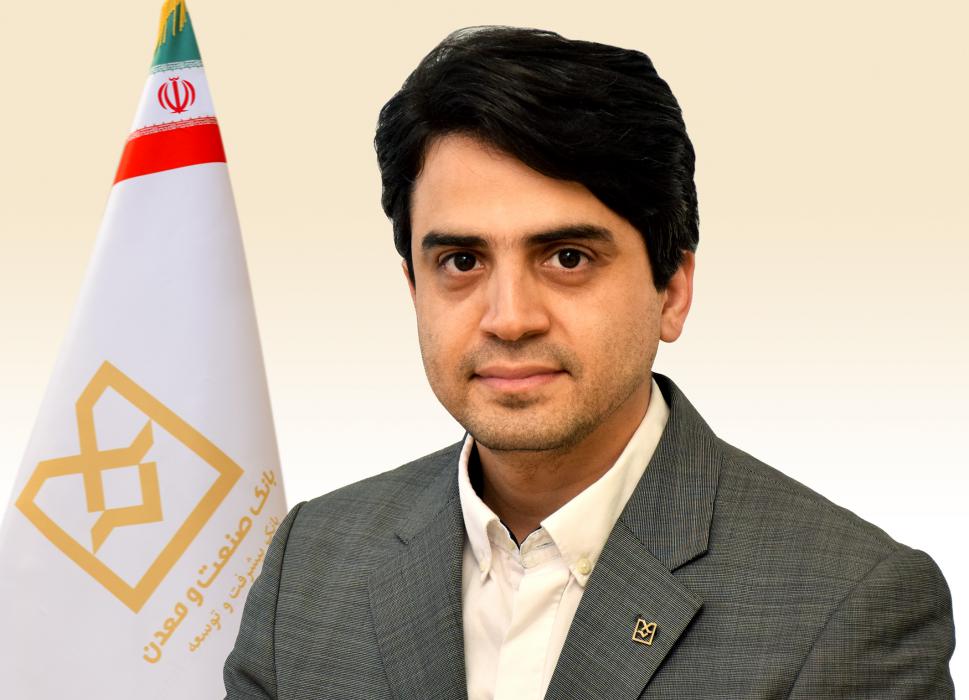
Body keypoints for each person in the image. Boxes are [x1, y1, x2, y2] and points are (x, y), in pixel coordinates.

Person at [223, 26, 955, 699]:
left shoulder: (846, 605)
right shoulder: (309, 566)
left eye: (567, 257)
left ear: (672, 290)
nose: (510, 317)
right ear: (414, 288)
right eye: (462, 261)